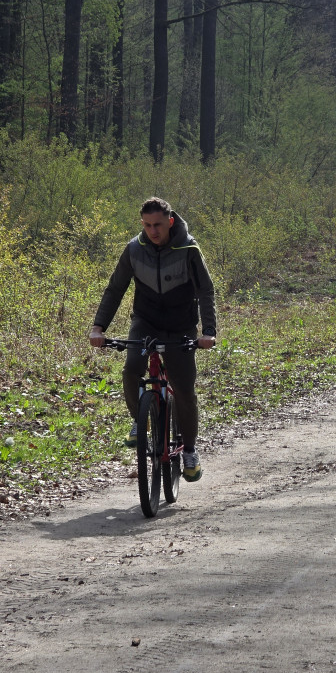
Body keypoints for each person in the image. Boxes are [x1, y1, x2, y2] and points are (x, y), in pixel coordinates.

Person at [89, 197, 217, 482]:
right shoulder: (134, 250)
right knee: (131, 367)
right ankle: (139, 420)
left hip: (180, 325)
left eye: (157, 224)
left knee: (183, 389)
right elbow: (115, 289)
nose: (153, 231)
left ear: (170, 221)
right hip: (145, 322)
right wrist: (98, 327)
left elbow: (205, 292)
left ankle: (190, 452)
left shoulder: (188, 249)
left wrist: (208, 332)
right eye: (147, 225)